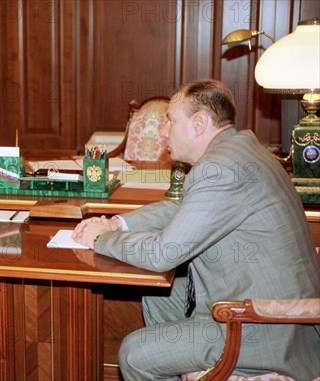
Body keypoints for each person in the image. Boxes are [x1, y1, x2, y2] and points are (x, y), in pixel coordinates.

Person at [72, 79, 320, 380]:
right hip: (271, 309)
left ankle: (167, 359)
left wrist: (101, 238)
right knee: (158, 296)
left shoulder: (220, 169)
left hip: (264, 328)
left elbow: (164, 253)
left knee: (134, 353)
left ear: (200, 123)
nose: (163, 131)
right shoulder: (241, 151)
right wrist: (117, 223)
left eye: (170, 121)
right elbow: (184, 209)